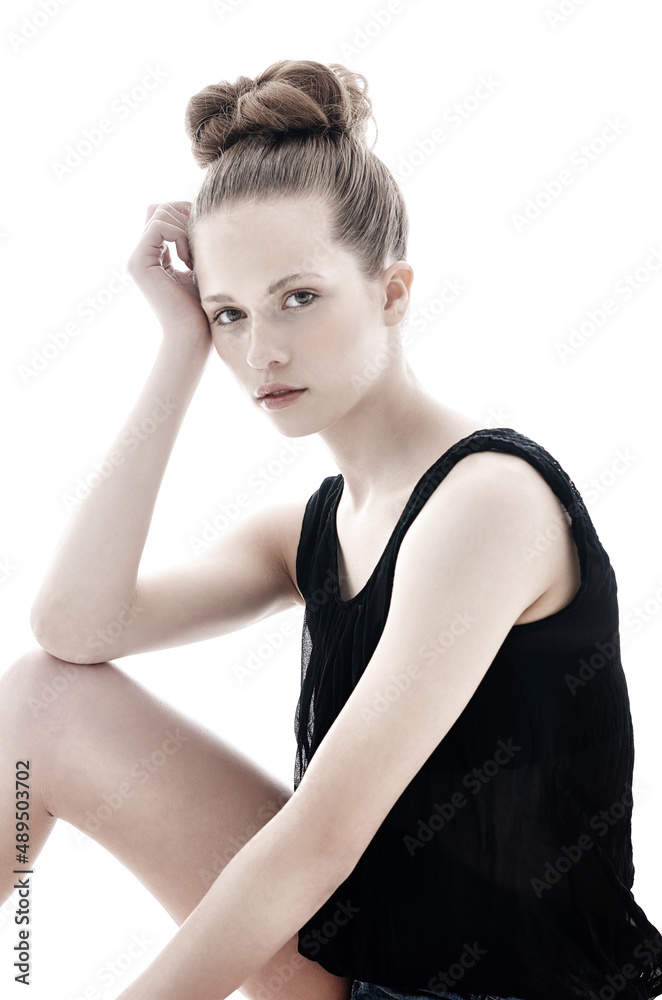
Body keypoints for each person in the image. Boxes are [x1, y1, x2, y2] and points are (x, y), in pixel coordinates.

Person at [0, 57, 660, 1000]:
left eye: (298, 297)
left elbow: (318, 842)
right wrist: (179, 347)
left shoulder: (489, 502)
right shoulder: (310, 532)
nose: (260, 350)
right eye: (231, 313)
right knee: (42, 703)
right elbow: (73, 628)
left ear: (392, 291)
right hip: (369, 967)